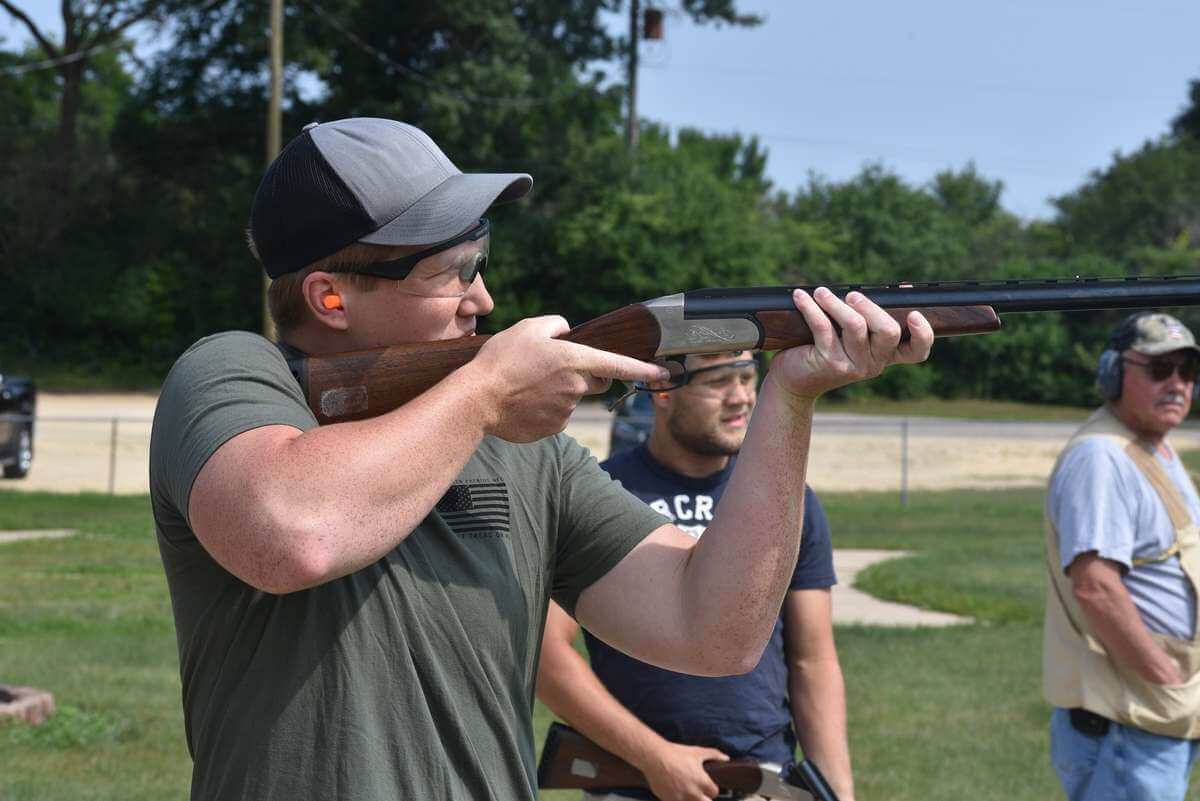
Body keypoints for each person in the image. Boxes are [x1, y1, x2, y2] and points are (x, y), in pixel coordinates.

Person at [148, 117, 931, 801]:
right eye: (454, 270)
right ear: (330, 298)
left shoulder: (526, 449)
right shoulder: (233, 374)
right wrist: (487, 390)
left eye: (480, 259)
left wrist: (791, 395)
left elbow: (714, 630)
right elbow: (293, 534)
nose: (483, 298)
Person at [537, 350, 855, 801]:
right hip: (636, 781)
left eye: (748, 377)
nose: (741, 397)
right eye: (719, 381)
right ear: (662, 389)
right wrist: (655, 757)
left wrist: (837, 791)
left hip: (764, 779)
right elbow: (548, 653)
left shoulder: (788, 504)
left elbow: (813, 660)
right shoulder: (601, 495)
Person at [1044, 312, 1200, 801]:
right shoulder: (1102, 458)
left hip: (1155, 716)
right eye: (1159, 369)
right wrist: (1166, 680)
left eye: (1187, 370)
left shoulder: (1153, 449)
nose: (1177, 383)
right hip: (1130, 722)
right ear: (1113, 372)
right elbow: (1096, 587)